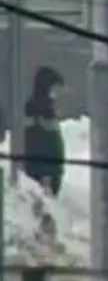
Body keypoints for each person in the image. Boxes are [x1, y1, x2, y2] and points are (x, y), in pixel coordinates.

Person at [21, 66, 65, 197]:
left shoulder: (35, 106)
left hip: (43, 168)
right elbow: (48, 144)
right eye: (55, 88)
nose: (58, 93)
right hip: (45, 170)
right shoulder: (43, 111)